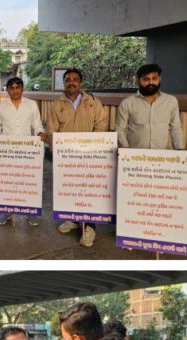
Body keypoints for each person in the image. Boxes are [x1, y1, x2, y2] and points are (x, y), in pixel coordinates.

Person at [47, 68, 108, 247]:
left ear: (80, 82)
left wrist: (93, 146)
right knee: (69, 189)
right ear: (64, 83)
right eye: (68, 80)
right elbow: (52, 129)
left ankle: (89, 227)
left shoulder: (93, 102)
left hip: (89, 155)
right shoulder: (58, 104)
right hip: (67, 156)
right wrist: (57, 148)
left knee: (88, 191)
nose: (71, 82)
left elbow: (101, 124)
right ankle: (73, 219)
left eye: (75, 79)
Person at [0, 76, 47, 227]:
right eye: (11, 88)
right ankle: (7, 212)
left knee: (27, 183)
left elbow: (37, 125)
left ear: (22, 89)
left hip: (27, 152)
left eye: (17, 87)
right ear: (7, 90)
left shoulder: (31, 105)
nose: (15, 91)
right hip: (8, 152)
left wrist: (40, 133)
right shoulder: (1, 106)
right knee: (9, 183)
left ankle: (29, 213)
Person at [115, 63, 183, 150]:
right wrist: (126, 150)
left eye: (154, 78)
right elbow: (120, 129)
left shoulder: (171, 101)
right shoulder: (127, 103)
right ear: (138, 80)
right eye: (146, 79)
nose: (151, 82)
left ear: (160, 79)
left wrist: (180, 150)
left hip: (162, 156)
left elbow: (175, 128)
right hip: (135, 157)